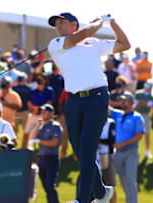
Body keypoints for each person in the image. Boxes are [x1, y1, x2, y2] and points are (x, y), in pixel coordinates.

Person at [47, 12, 130, 202]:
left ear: (74, 24)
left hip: (97, 98)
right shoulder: (56, 44)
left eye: (62, 22)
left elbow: (125, 45)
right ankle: (101, 192)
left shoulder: (92, 43)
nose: (58, 26)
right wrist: (99, 23)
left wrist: (113, 23)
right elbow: (77, 38)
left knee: (87, 151)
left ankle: (82, 199)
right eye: (56, 24)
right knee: (81, 153)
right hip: (73, 102)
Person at [110, 92, 144, 203]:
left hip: (131, 152)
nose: (122, 102)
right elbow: (106, 108)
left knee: (130, 180)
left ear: (131, 102)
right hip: (119, 153)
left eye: (125, 100)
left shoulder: (137, 117)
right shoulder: (118, 114)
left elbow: (138, 136)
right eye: (121, 100)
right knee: (123, 181)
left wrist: (122, 144)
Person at [29, 104, 62, 203]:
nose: (42, 113)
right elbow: (32, 137)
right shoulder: (41, 126)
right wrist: (38, 125)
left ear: (51, 113)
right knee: (46, 187)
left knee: (50, 185)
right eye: (41, 111)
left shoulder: (55, 126)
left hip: (51, 159)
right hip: (41, 159)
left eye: (45, 111)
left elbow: (54, 142)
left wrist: (39, 141)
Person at [23, 74, 54, 148]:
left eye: (42, 83)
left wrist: (39, 108)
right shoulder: (34, 91)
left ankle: (41, 151)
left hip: (43, 115)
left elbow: (50, 102)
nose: (41, 85)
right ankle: (23, 149)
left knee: (43, 134)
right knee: (26, 133)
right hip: (33, 114)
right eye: (40, 83)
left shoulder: (49, 90)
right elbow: (29, 103)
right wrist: (34, 108)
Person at [97, 117, 117, 203]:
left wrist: (97, 140)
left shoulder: (111, 122)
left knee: (110, 185)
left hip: (107, 154)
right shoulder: (94, 121)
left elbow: (111, 140)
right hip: (96, 155)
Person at [134, 82, 153, 158]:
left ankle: (147, 151)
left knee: (147, 134)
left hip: (146, 115)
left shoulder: (151, 97)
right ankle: (135, 150)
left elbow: (149, 105)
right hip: (137, 114)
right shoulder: (138, 93)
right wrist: (144, 103)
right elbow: (135, 103)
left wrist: (142, 102)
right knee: (135, 132)